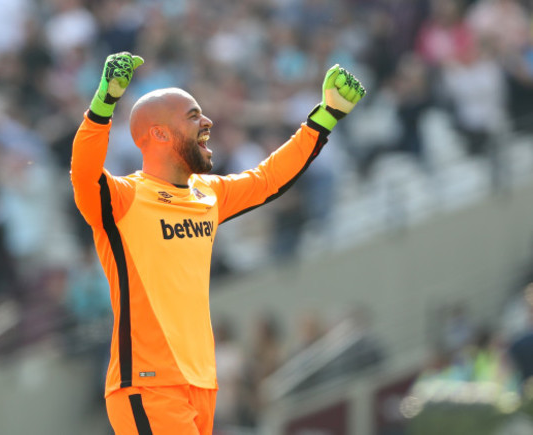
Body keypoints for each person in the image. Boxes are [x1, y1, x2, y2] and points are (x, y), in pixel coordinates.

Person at [70, 51, 366, 434]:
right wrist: (103, 103)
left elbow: (268, 179)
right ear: (159, 133)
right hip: (148, 383)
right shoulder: (122, 200)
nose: (207, 121)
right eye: (193, 115)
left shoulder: (208, 194)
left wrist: (326, 115)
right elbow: (83, 174)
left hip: (201, 384)